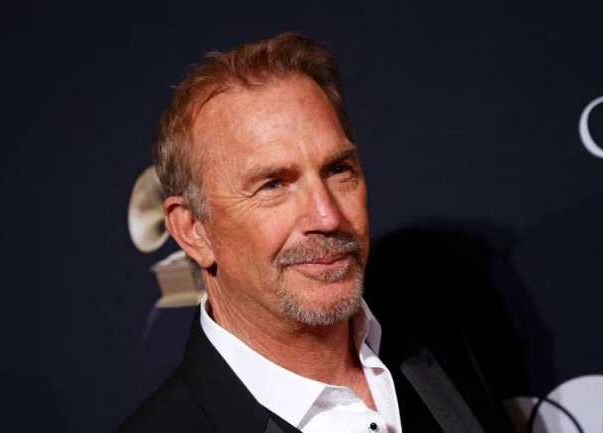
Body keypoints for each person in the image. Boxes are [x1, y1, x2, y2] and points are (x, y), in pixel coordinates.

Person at [116, 32, 514, 433]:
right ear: (193, 231)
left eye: (338, 170)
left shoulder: (441, 343)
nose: (327, 217)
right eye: (273, 185)